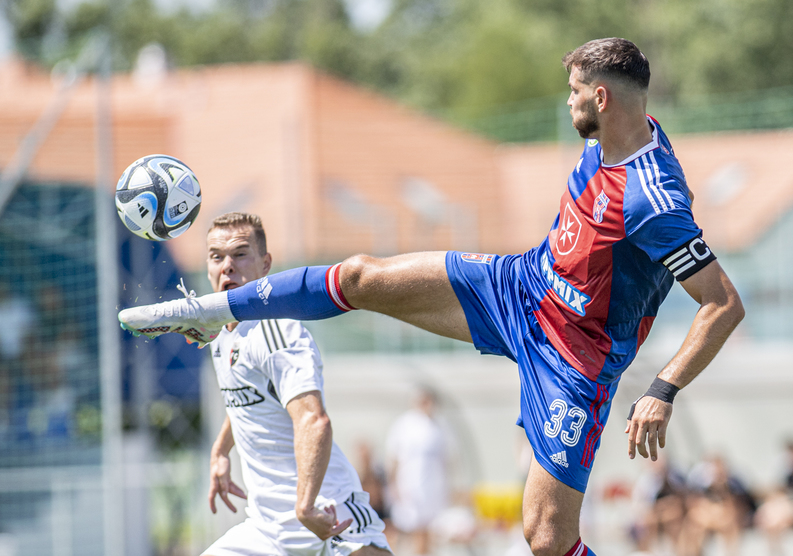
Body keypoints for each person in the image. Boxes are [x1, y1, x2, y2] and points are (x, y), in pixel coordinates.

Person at [119, 38, 745, 556]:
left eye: (575, 91)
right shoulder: (618, 134)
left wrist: (662, 390)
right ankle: (207, 312)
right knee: (361, 277)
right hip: (519, 286)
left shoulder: (653, 199)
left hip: (576, 358)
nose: (569, 100)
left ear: (602, 98)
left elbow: (722, 303)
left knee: (546, 539)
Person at [198, 212, 392, 556]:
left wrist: (304, 505)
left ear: (265, 264)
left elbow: (313, 420)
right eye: (217, 256)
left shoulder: (276, 331)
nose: (227, 266)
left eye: (240, 254)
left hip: (327, 513)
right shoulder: (220, 333)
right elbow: (249, 397)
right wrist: (220, 450)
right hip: (266, 528)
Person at [385, 386, 450, 555]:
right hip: (410, 484)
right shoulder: (404, 424)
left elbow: (446, 459)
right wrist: (393, 484)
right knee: (411, 528)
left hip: (433, 486)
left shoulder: (440, 426)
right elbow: (394, 457)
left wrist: (448, 486)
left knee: (429, 530)